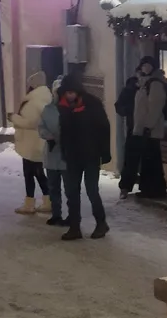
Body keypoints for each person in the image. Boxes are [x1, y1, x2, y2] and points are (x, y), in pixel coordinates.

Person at [56, 75, 111, 241]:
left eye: (72, 92)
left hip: (91, 154)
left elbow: (104, 128)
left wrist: (105, 152)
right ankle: (74, 227)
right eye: (67, 93)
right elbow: (64, 132)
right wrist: (64, 151)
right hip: (73, 156)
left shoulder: (93, 105)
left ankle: (101, 223)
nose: (69, 96)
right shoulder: (64, 107)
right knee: (72, 191)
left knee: (91, 190)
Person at [11, 71, 53, 214]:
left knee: (30, 173)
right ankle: (48, 201)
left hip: (31, 142)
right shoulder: (46, 99)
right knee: (38, 172)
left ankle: (30, 203)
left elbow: (31, 122)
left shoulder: (34, 101)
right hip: (38, 142)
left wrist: (15, 118)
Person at [129, 56, 167, 199]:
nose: (146, 68)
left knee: (152, 160)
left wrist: (148, 126)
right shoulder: (142, 84)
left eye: (149, 65)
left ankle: (156, 189)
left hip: (151, 130)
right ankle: (147, 188)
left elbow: (155, 107)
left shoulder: (155, 84)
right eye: (143, 65)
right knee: (147, 160)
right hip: (143, 129)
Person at [37, 78, 67, 226]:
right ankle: (56, 214)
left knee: (70, 189)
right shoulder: (48, 109)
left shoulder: (72, 109)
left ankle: (73, 215)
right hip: (52, 153)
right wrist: (48, 136)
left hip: (68, 156)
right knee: (53, 187)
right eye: (57, 92)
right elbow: (41, 127)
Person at [115, 74, 141, 198]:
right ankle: (125, 187)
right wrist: (130, 110)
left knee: (148, 159)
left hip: (150, 128)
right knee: (130, 157)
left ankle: (147, 185)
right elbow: (119, 106)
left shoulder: (152, 85)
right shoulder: (130, 88)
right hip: (134, 127)